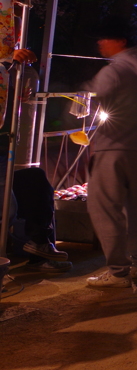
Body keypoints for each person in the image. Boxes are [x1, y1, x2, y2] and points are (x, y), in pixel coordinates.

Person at [83, 18, 137, 288]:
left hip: (111, 148)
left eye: (105, 38)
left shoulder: (112, 72)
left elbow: (91, 101)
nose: (100, 43)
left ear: (121, 42)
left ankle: (117, 272)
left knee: (105, 208)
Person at [1, 49, 71, 272]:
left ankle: (39, 245)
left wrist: (14, 69)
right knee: (7, 203)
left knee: (35, 179)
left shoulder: (8, 69)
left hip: (3, 149)